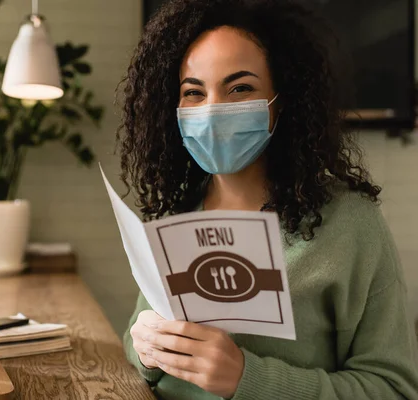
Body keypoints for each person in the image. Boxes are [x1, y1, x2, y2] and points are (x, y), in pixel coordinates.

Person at [116, 0, 418, 399]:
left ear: (283, 98)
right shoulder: (178, 213)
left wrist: (248, 378)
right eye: (193, 92)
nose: (212, 111)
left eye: (240, 88)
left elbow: (394, 389)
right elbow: (139, 352)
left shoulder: (351, 224)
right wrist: (145, 350)